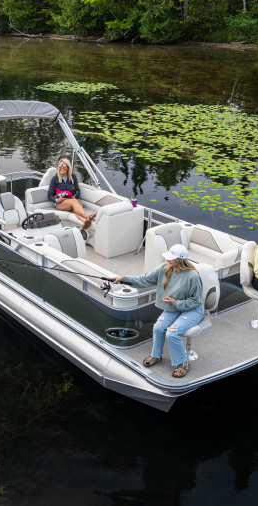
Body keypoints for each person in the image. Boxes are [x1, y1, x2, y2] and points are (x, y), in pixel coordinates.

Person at [112, 244, 204, 378]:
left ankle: (183, 363)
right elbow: (143, 280)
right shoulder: (164, 268)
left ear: (180, 260)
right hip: (174, 308)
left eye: (171, 258)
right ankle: (156, 356)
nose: (168, 260)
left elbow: (195, 301)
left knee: (172, 332)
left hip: (192, 310)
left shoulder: (193, 276)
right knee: (158, 328)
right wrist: (123, 279)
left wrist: (174, 302)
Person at [47, 158, 96, 230]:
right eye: (60, 166)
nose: (61, 168)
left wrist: (75, 196)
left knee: (77, 207)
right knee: (76, 204)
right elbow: (50, 195)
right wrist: (57, 200)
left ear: (68, 167)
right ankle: (86, 215)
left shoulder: (73, 177)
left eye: (64, 166)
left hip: (73, 200)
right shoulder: (54, 178)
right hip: (60, 203)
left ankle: (84, 221)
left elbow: (78, 190)